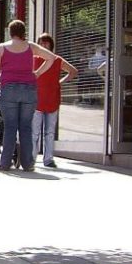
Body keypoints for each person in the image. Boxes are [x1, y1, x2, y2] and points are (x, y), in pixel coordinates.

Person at [0, 18, 58, 172]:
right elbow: (51, 57)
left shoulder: (2, 48)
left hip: (8, 90)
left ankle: (5, 163)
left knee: (10, 127)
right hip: (29, 90)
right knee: (26, 127)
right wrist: (37, 73)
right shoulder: (31, 46)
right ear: (23, 32)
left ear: (10, 32)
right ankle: (28, 164)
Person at [32, 32, 77, 168]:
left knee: (50, 133)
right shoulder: (33, 58)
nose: (44, 45)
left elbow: (73, 71)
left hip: (52, 100)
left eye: (46, 42)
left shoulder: (57, 60)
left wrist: (59, 82)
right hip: (36, 101)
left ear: (51, 45)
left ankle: (48, 159)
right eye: (41, 42)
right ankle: (31, 159)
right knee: (34, 133)